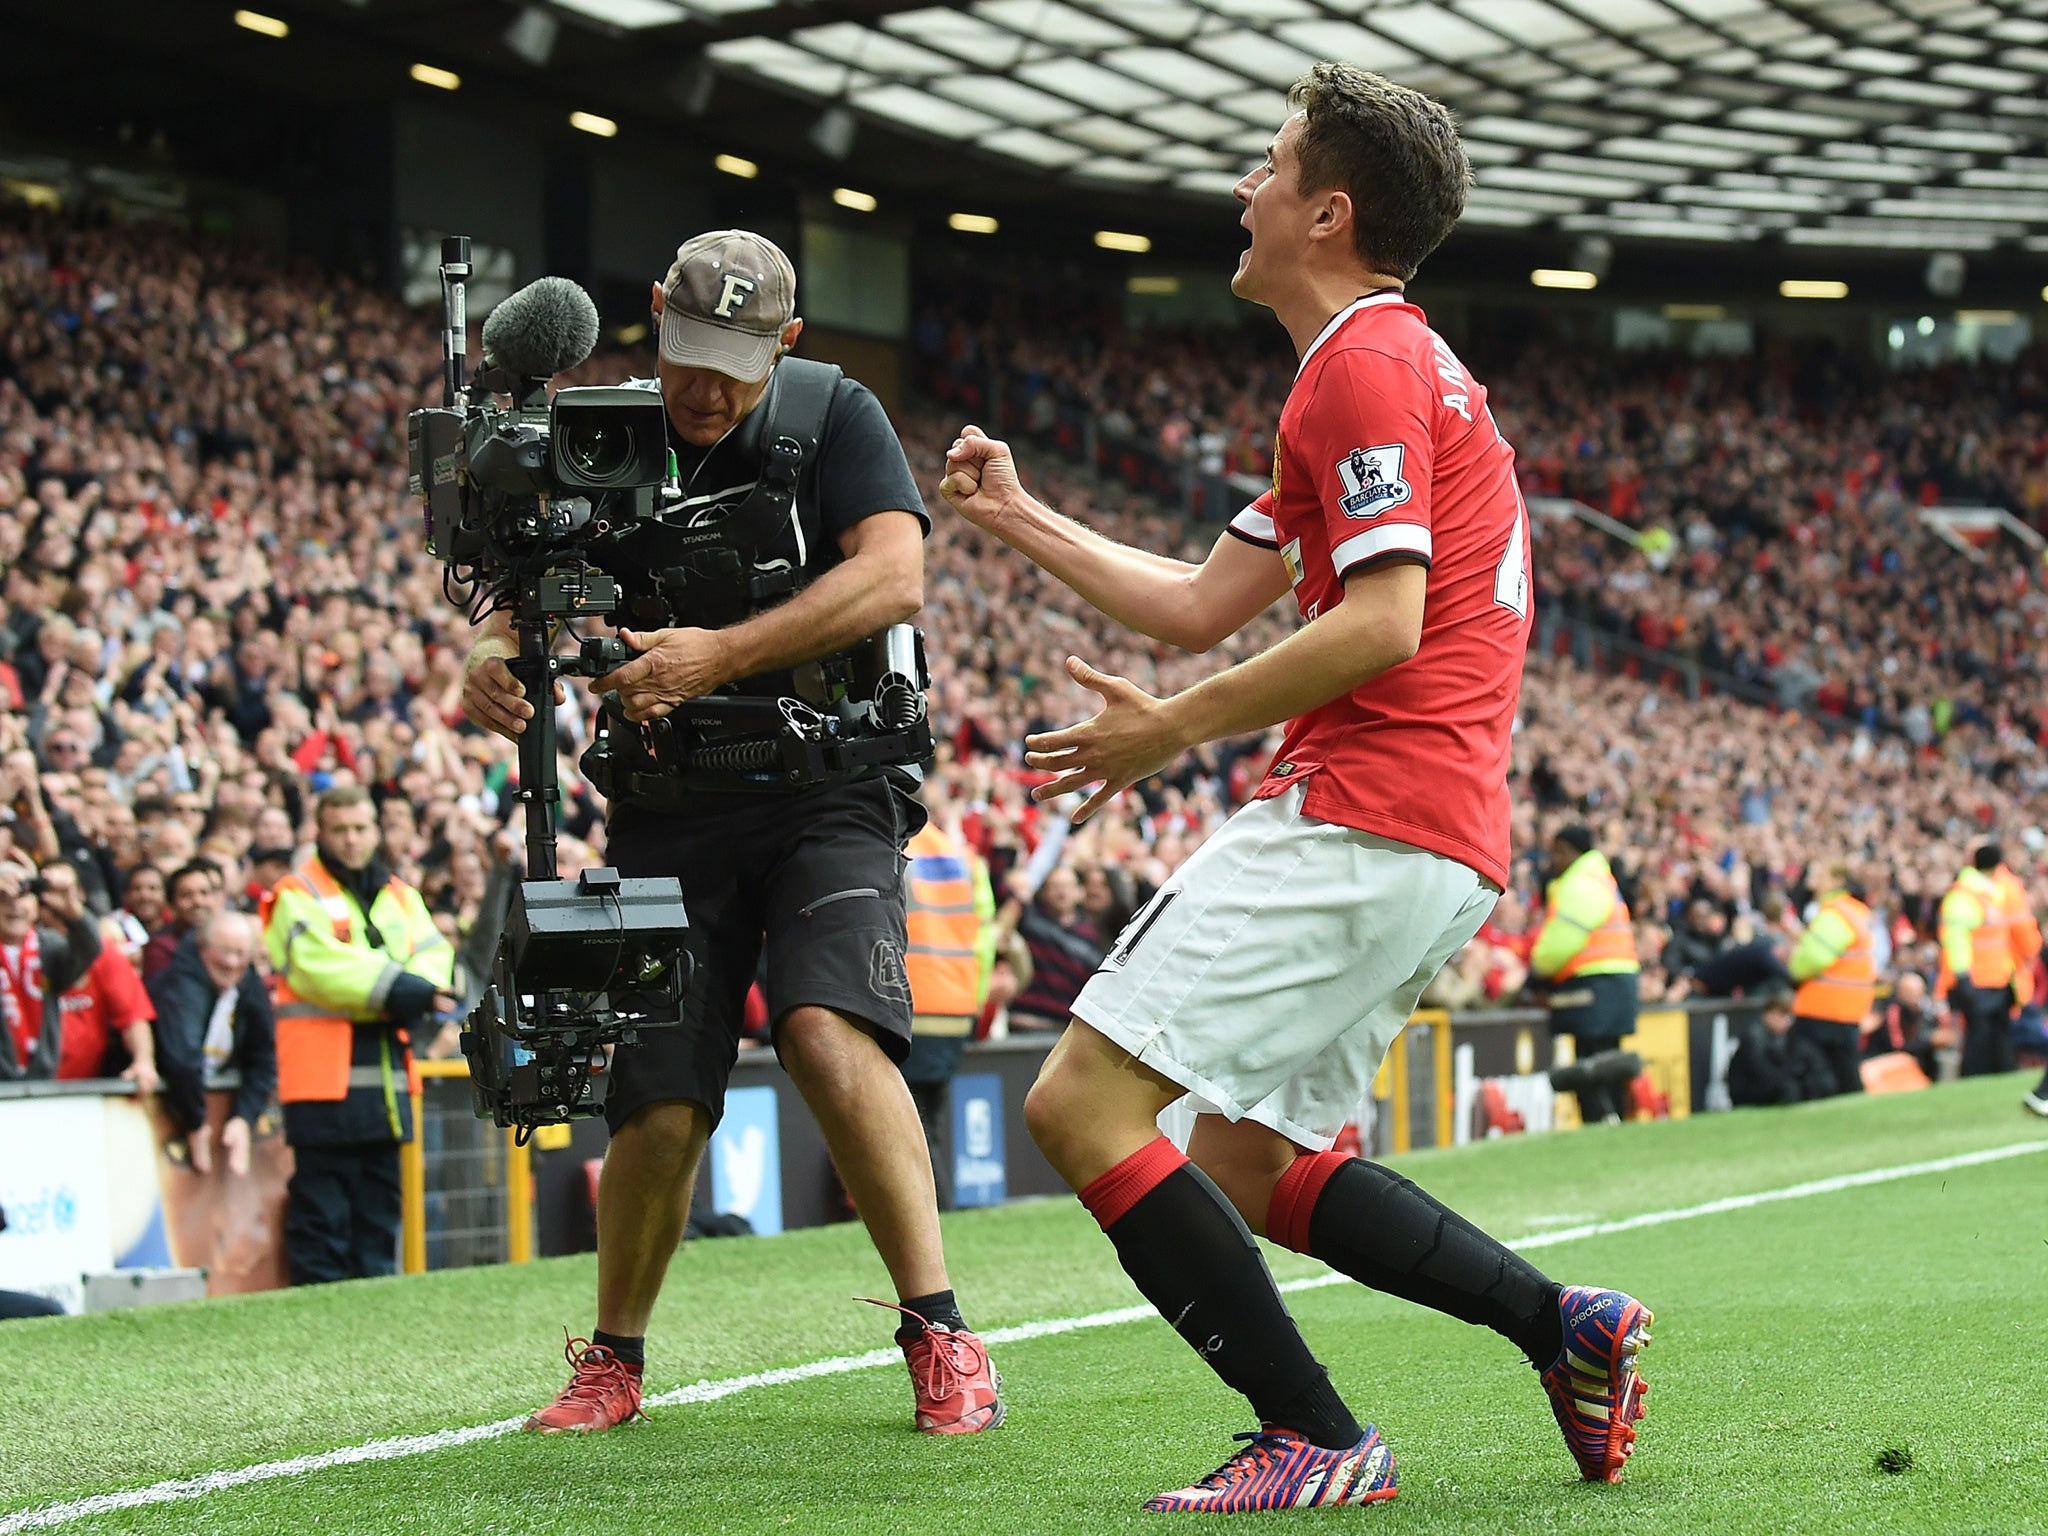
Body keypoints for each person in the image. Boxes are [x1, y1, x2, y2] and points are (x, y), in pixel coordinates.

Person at [938, 64, 1647, 1512]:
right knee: (1252, 1161)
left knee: (1079, 1105)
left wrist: (1170, 735)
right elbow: (1199, 603)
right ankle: (1558, 1325)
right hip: (1434, 840)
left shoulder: (1364, 371)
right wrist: (1015, 515)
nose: (1239, 192)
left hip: (1368, 811)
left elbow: (1382, 621)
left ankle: (1315, 1434)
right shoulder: (1381, 372)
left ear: (1327, 211)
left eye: (1264, 166)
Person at [463, 230, 1001, 1436]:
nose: (703, 387)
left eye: (735, 365)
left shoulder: (838, 415)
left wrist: (715, 657)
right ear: (653, 313)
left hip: (831, 785)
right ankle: (613, 1360)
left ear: (788, 345)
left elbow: (894, 580)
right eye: (686, 354)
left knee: (824, 1027)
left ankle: (943, 1334)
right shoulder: (602, 432)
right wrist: (486, 660)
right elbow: (527, 592)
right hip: (667, 802)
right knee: (654, 1091)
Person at [261, 785, 453, 1283]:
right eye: (340, 829)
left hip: (386, 1083)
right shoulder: (296, 892)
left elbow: (437, 959)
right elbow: (319, 969)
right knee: (322, 1221)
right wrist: (404, 987)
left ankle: (375, 1327)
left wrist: (405, 987)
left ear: (376, 830)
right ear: (320, 833)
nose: (351, 839)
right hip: (322, 1085)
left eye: (361, 828)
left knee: (378, 1217)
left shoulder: (400, 894)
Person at [900, 798, 997, 1210]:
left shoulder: (890, 848)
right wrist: (974, 1005)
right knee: (929, 1120)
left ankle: (935, 1209)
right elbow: (984, 939)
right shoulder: (961, 856)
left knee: (911, 1125)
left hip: (910, 1001)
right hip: (955, 1005)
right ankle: (939, 1207)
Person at [149, 909, 277, 1175]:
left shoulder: (249, 984)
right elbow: (183, 1059)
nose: (231, 963)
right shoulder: (179, 985)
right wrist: (195, 1123)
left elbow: (264, 1056)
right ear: (202, 948)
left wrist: (244, 1117)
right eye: (223, 951)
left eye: (240, 954)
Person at [1530, 826, 1641, 1123]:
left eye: (1558, 852)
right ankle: (1614, 1118)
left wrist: (1536, 972)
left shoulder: (1579, 884)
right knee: (1610, 1059)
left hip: (1592, 986)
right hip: (1616, 981)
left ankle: (1600, 1120)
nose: (1552, 859)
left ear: (1571, 852)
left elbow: (1560, 943)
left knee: (1590, 1064)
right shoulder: (1601, 879)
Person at [36, 861, 159, 1091]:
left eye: (66, 890)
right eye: (47, 891)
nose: (56, 900)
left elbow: (132, 1014)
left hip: (84, 1092)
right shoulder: (18, 951)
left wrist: (143, 1061)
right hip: (20, 1089)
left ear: (80, 894)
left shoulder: (103, 951)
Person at [1, 860, 103, 1079]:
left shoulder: (50, 947)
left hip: (41, 1081)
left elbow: (90, 947)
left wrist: (72, 908)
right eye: (3, 898)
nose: (14, 905)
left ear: (37, 904)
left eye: (23, 895)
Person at [1786, 863, 1876, 1098]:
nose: (1811, 878)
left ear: (1836, 879)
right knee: (1845, 1073)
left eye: (1819, 872)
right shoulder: (1854, 911)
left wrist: (1792, 967)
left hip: (1822, 1007)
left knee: (1815, 1074)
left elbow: (1814, 957)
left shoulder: (1834, 914)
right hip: (1847, 1007)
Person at [1938, 846, 2023, 1077]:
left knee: (1998, 1037)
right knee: (1979, 1040)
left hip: (1998, 979)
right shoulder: (1965, 896)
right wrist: (1963, 976)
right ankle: (1972, 1082)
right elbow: (1957, 940)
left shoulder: (1990, 893)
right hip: (1979, 981)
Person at [1726, 984, 1837, 1106]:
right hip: (1751, 1094)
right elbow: (1761, 1075)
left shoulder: (1793, 1038)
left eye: (1789, 1016)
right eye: (1781, 1015)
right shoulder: (1754, 1039)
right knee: (1789, 1089)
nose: (1787, 1021)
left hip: (1777, 1088)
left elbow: (1815, 1066)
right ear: (1767, 1014)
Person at [142, 860, 224, 984]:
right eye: (186, 895)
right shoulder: (160, 947)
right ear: (171, 905)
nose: (198, 901)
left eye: (204, 893)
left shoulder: (230, 940)